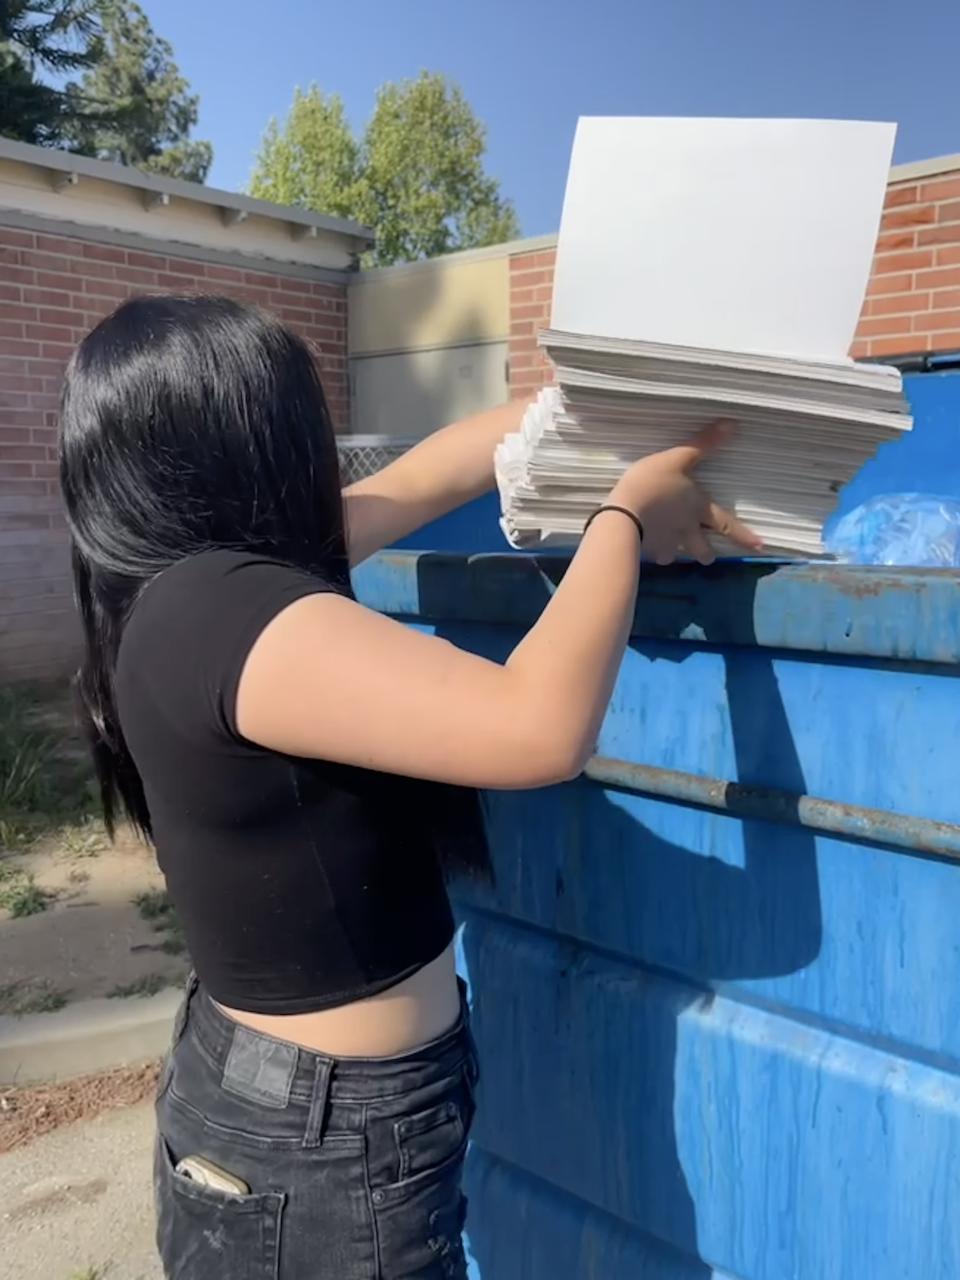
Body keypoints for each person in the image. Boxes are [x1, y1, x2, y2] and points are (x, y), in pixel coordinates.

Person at [58, 295, 760, 1280]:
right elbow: (539, 725)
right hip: (317, 1139)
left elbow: (426, 475)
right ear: (242, 442)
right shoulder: (227, 609)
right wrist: (624, 515)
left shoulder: (174, 595)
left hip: (304, 1112)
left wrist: (592, 416)